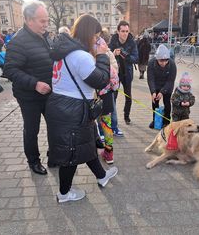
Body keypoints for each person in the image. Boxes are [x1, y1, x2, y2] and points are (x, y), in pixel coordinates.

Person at [46, 14, 118, 203]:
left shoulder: (64, 53)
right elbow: (101, 81)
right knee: (71, 154)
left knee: (85, 144)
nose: (97, 40)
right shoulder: (81, 56)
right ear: (89, 34)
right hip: (73, 110)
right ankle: (63, 194)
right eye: (95, 37)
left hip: (62, 106)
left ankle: (102, 176)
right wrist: (102, 55)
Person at [3, 1, 53, 175]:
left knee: (54, 125)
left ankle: (53, 155)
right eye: (42, 21)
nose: (46, 24)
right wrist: (35, 84)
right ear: (28, 20)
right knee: (32, 129)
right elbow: (9, 70)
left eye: (47, 20)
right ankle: (33, 161)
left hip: (48, 93)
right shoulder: (18, 41)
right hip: (29, 96)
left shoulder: (44, 36)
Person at [109, 20, 138, 125]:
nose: (125, 33)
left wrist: (125, 55)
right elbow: (106, 56)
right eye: (122, 31)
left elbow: (136, 58)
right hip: (115, 74)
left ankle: (126, 116)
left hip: (127, 73)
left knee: (128, 96)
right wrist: (113, 53)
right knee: (114, 97)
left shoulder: (132, 42)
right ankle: (113, 118)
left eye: (126, 31)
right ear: (118, 31)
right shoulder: (112, 42)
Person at [98, 28, 120, 164]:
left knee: (92, 125)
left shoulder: (87, 55)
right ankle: (109, 153)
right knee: (107, 125)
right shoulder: (108, 57)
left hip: (91, 97)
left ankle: (93, 152)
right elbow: (115, 80)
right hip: (106, 96)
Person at [147, 44, 177, 129]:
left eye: (165, 60)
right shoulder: (151, 63)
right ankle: (155, 120)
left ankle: (166, 121)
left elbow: (171, 81)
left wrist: (162, 91)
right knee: (155, 102)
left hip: (167, 85)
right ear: (157, 59)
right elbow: (150, 79)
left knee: (167, 103)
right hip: (156, 84)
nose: (163, 63)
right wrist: (153, 91)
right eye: (161, 61)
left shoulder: (172, 64)